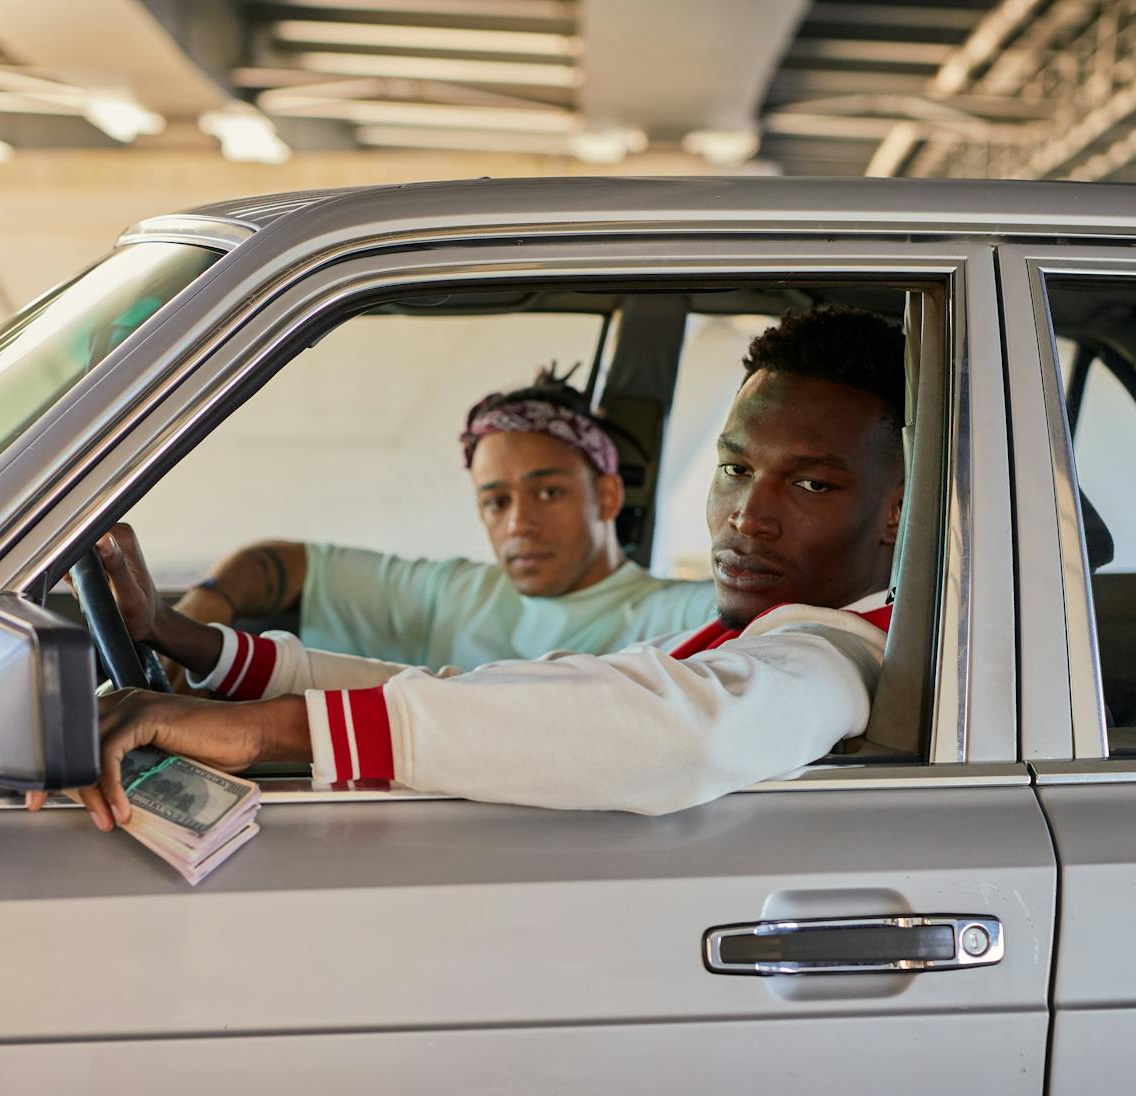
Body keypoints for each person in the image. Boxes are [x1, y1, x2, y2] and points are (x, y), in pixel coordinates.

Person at [54, 305, 907, 825]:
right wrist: (190, 642)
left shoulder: (835, 658)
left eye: (810, 482)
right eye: (734, 469)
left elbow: (684, 731)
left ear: (899, 508)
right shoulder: (747, 632)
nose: (748, 517)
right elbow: (488, 688)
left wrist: (267, 732)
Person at [172, 367, 714, 669]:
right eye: (496, 502)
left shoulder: (674, 613)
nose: (519, 523)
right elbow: (286, 564)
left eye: (548, 492)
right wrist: (204, 601)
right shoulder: (452, 594)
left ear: (608, 496)